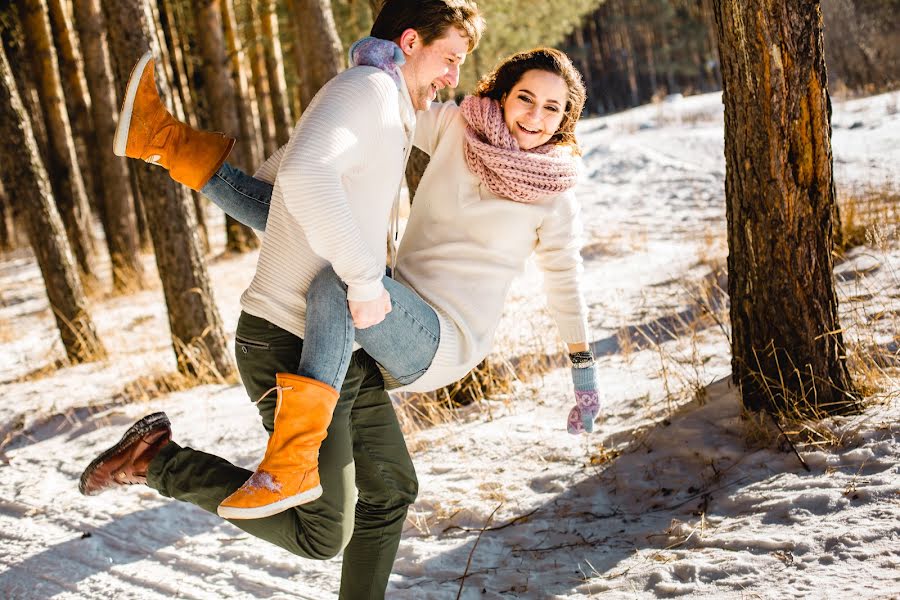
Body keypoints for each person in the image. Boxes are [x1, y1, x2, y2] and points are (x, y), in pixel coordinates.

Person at [79, 2, 484, 599]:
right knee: (321, 533)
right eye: (450, 58)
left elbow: (276, 197)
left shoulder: (380, 99)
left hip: (333, 338)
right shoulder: (370, 90)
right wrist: (366, 279)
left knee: (390, 489)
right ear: (409, 40)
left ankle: (160, 137)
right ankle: (155, 462)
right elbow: (304, 180)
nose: (452, 75)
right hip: (289, 341)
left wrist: (176, 150)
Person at [158, 44, 601, 439]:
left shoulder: (555, 196)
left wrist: (583, 376)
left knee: (342, 280)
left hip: (444, 341)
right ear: (504, 95)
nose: (536, 117)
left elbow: (566, 283)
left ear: (566, 119)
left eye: (552, 108)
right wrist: (381, 70)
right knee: (310, 209)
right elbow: (393, 109)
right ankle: (172, 145)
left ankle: (300, 436)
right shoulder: (457, 129)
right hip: (393, 303)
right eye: (526, 98)